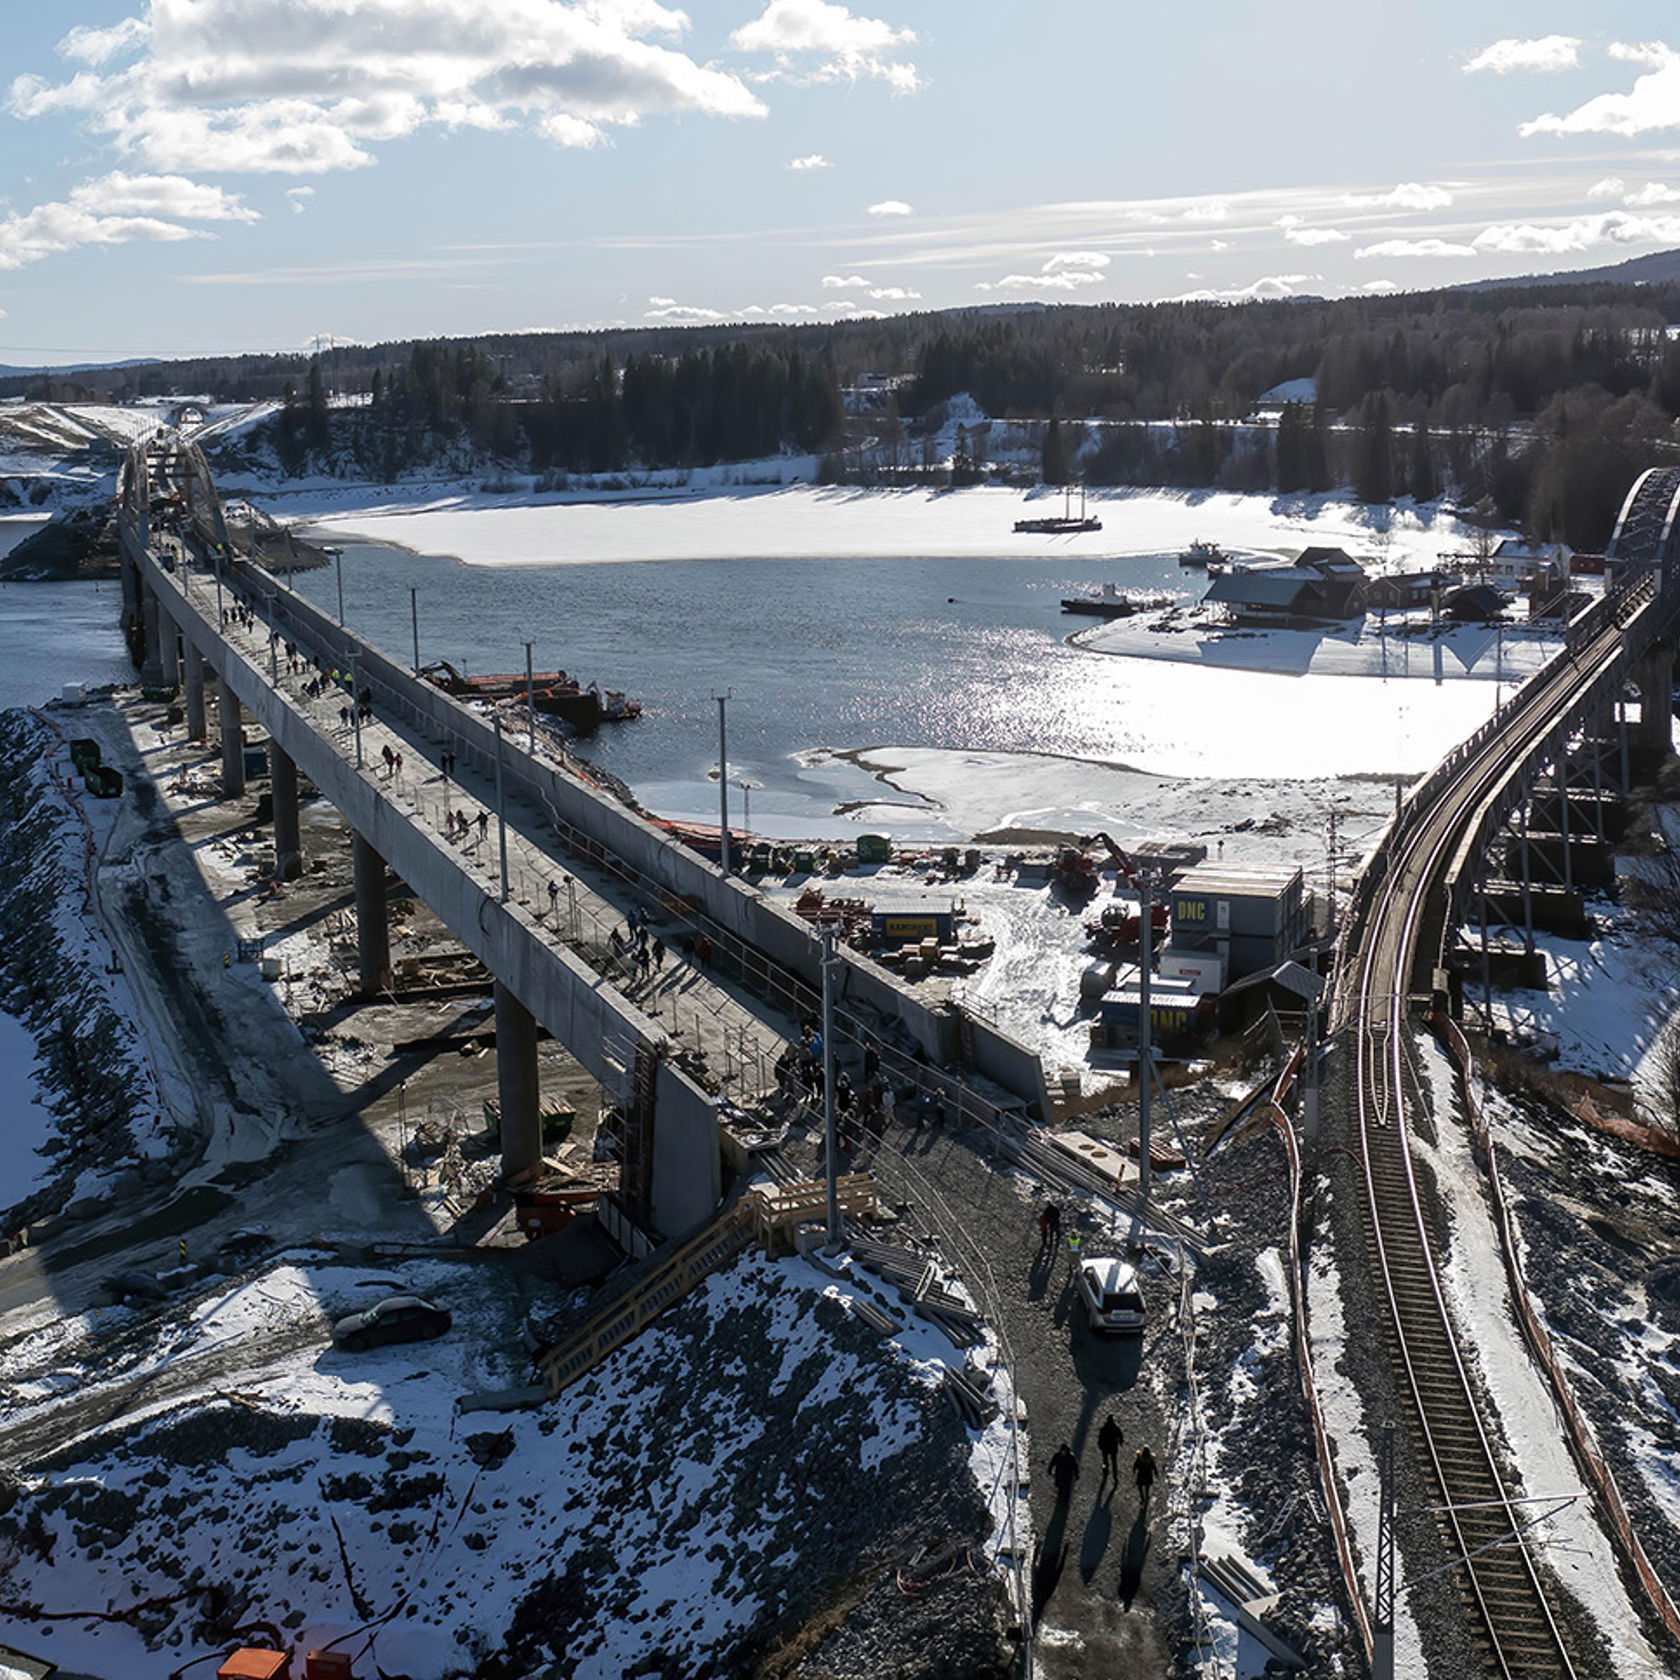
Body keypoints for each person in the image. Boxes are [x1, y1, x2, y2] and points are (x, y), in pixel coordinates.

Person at [1098, 1415, 1124, 1481]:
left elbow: (1100, 1438)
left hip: (1105, 1447)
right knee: (1114, 1462)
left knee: (1105, 1460)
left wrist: (1100, 1445)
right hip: (1113, 1447)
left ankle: (1105, 1470)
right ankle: (1115, 1475)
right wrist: (1120, 1442)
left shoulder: (1104, 1428)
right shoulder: (1115, 1428)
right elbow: (1120, 1435)